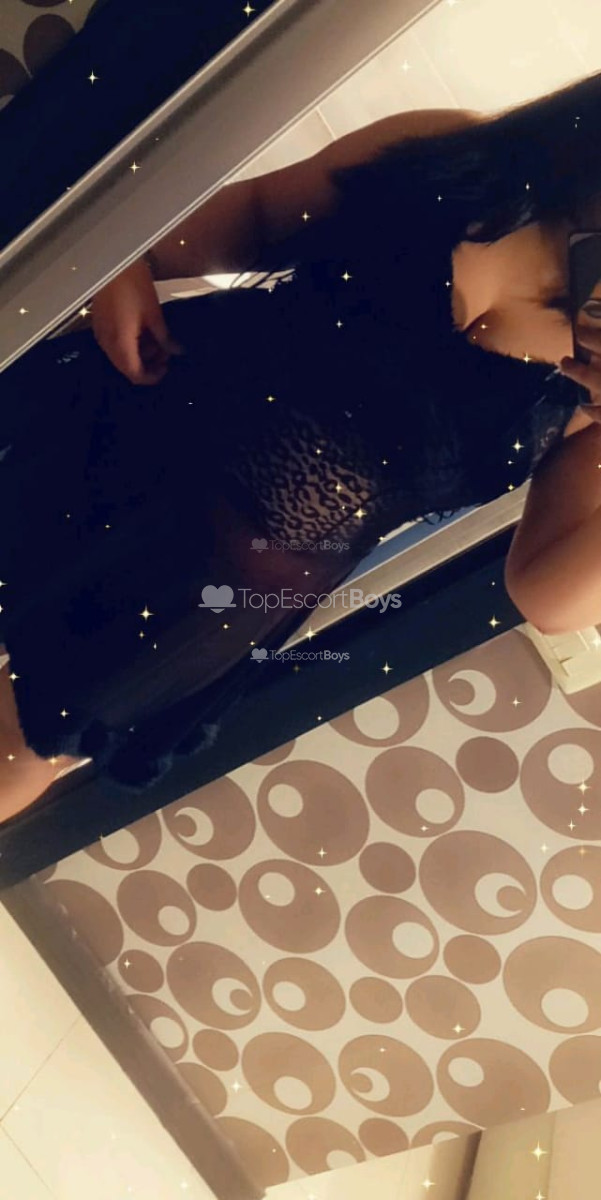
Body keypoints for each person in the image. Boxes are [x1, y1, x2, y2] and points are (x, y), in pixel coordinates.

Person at [3, 70, 601, 820]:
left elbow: (550, 597)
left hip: (207, 597)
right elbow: (251, 216)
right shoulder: (459, 155)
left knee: (17, 744)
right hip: (122, 422)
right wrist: (127, 265)